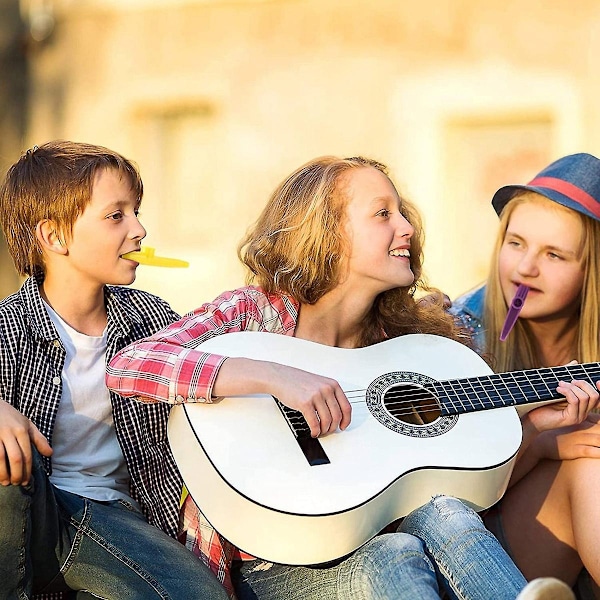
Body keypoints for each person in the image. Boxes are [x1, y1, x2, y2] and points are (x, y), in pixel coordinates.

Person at [106, 155, 590, 600]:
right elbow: (130, 365)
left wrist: (535, 427)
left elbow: (446, 470)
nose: (406, 228)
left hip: (379, 541)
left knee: (443, 513)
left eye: (401, 213)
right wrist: (275, 376)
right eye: (382, 215)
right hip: (270, 563)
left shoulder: (406, 347)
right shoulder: (253, 312)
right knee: (396, 555)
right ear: (326, 233)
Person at [0, 141, 228, 600]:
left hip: (115, 518)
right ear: (54, 237)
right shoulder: (8, 327)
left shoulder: (154, 321)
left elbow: (212, 375)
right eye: (116, 215)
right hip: (31, 511)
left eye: (136, 211)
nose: (140, 229)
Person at [450, 153, 600, 597]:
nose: (525, 268)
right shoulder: (459, 336)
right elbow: (448, 497)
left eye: (553, 254)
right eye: (515, 243)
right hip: (470, 546)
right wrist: (543, 441)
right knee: (588, 463)